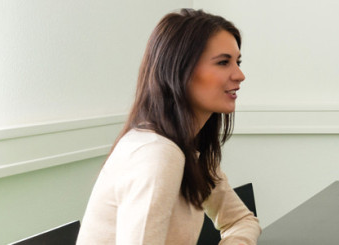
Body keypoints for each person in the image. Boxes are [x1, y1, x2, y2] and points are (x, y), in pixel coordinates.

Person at [78, 9, 260, 244]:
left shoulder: (188, 149)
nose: (240, 74)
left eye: (238, 61)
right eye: (223, 62)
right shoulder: (158, 154)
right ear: (180, 70)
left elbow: (241, 221)